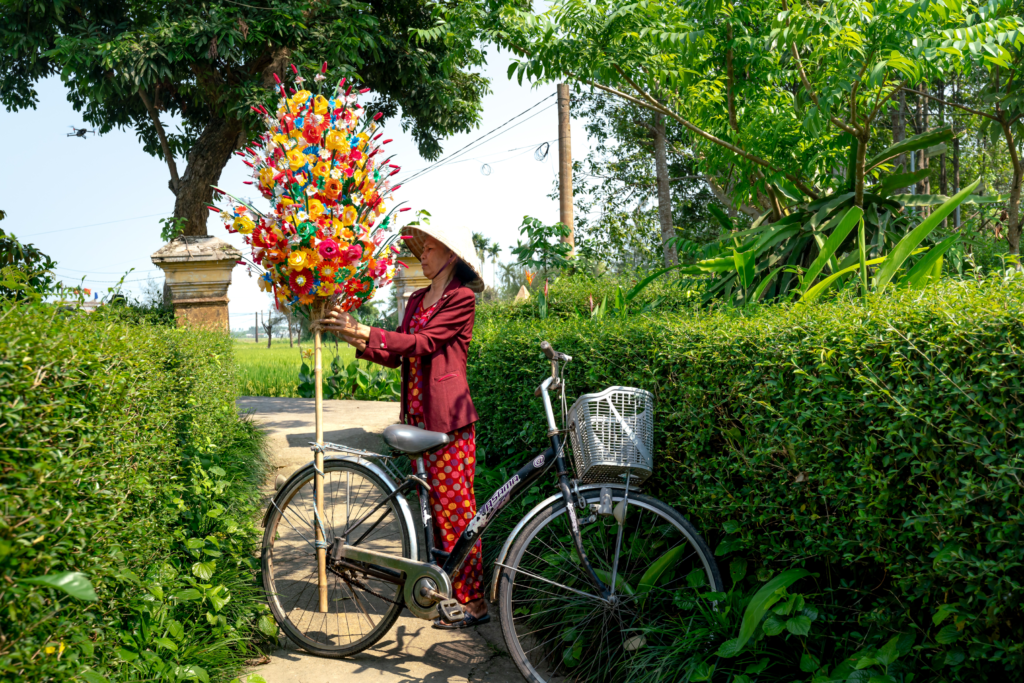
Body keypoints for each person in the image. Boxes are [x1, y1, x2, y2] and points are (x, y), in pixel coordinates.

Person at [321, 225, 489, 628]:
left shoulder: (460, 299)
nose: (422, 256)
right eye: (422, 249)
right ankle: (439, 588)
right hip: (416, 418)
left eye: (429, 249)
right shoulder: (416, 298)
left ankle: (474, 601)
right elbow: (398, 354)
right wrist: (356, 338)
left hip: (448, 421)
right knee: (432, 510)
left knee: (456, 512)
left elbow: (424, 343)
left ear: (451, 256)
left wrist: (369, 331)